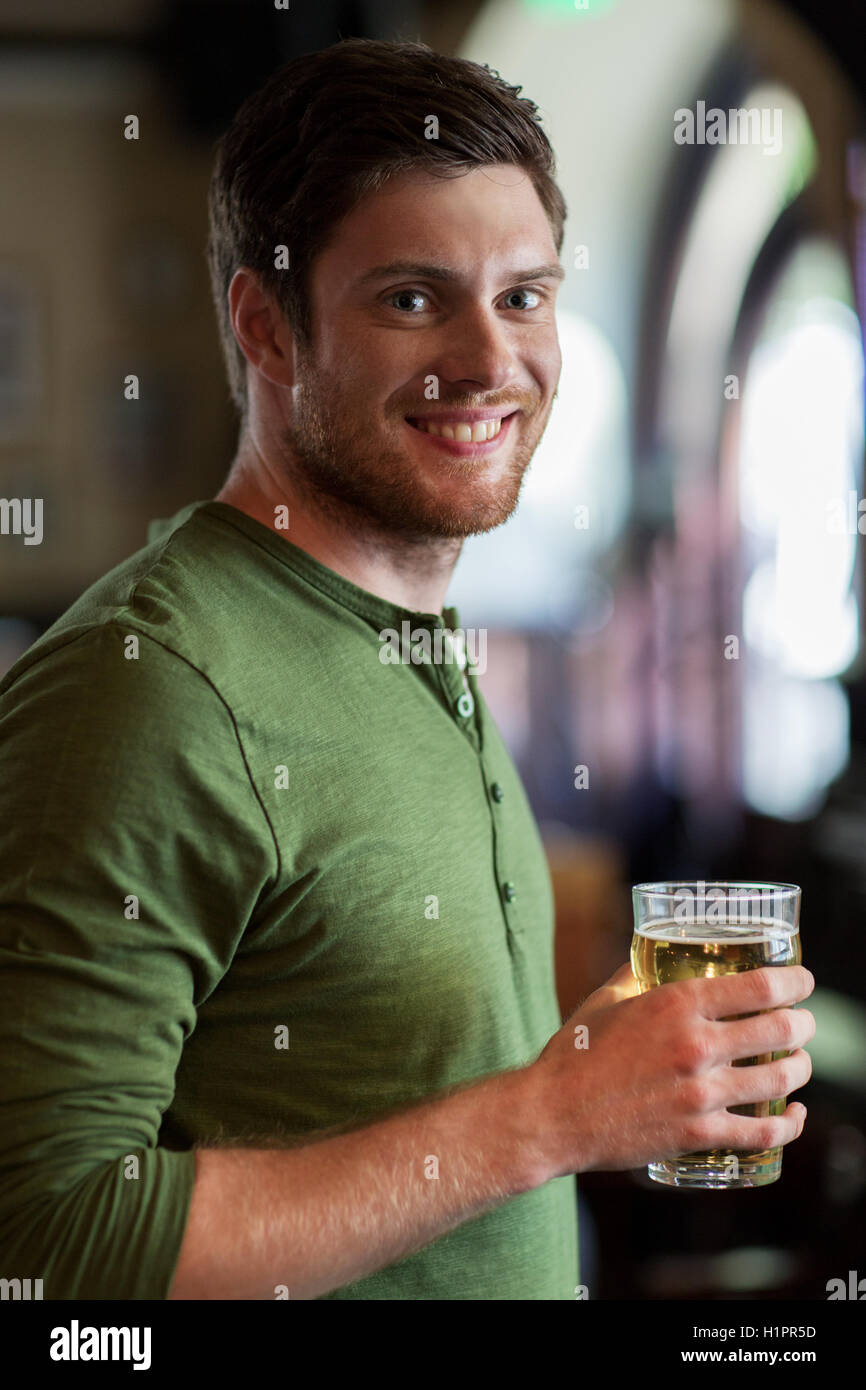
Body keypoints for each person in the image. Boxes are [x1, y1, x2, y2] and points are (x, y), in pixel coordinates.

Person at [0, 37, 814, 1302]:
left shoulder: (411, 631)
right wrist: (548, 1116)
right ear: (265, 325)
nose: (493, 362)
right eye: (411, 298)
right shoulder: (146, 687)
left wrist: (592, 1074)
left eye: (524, 296)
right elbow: (45, 1252)